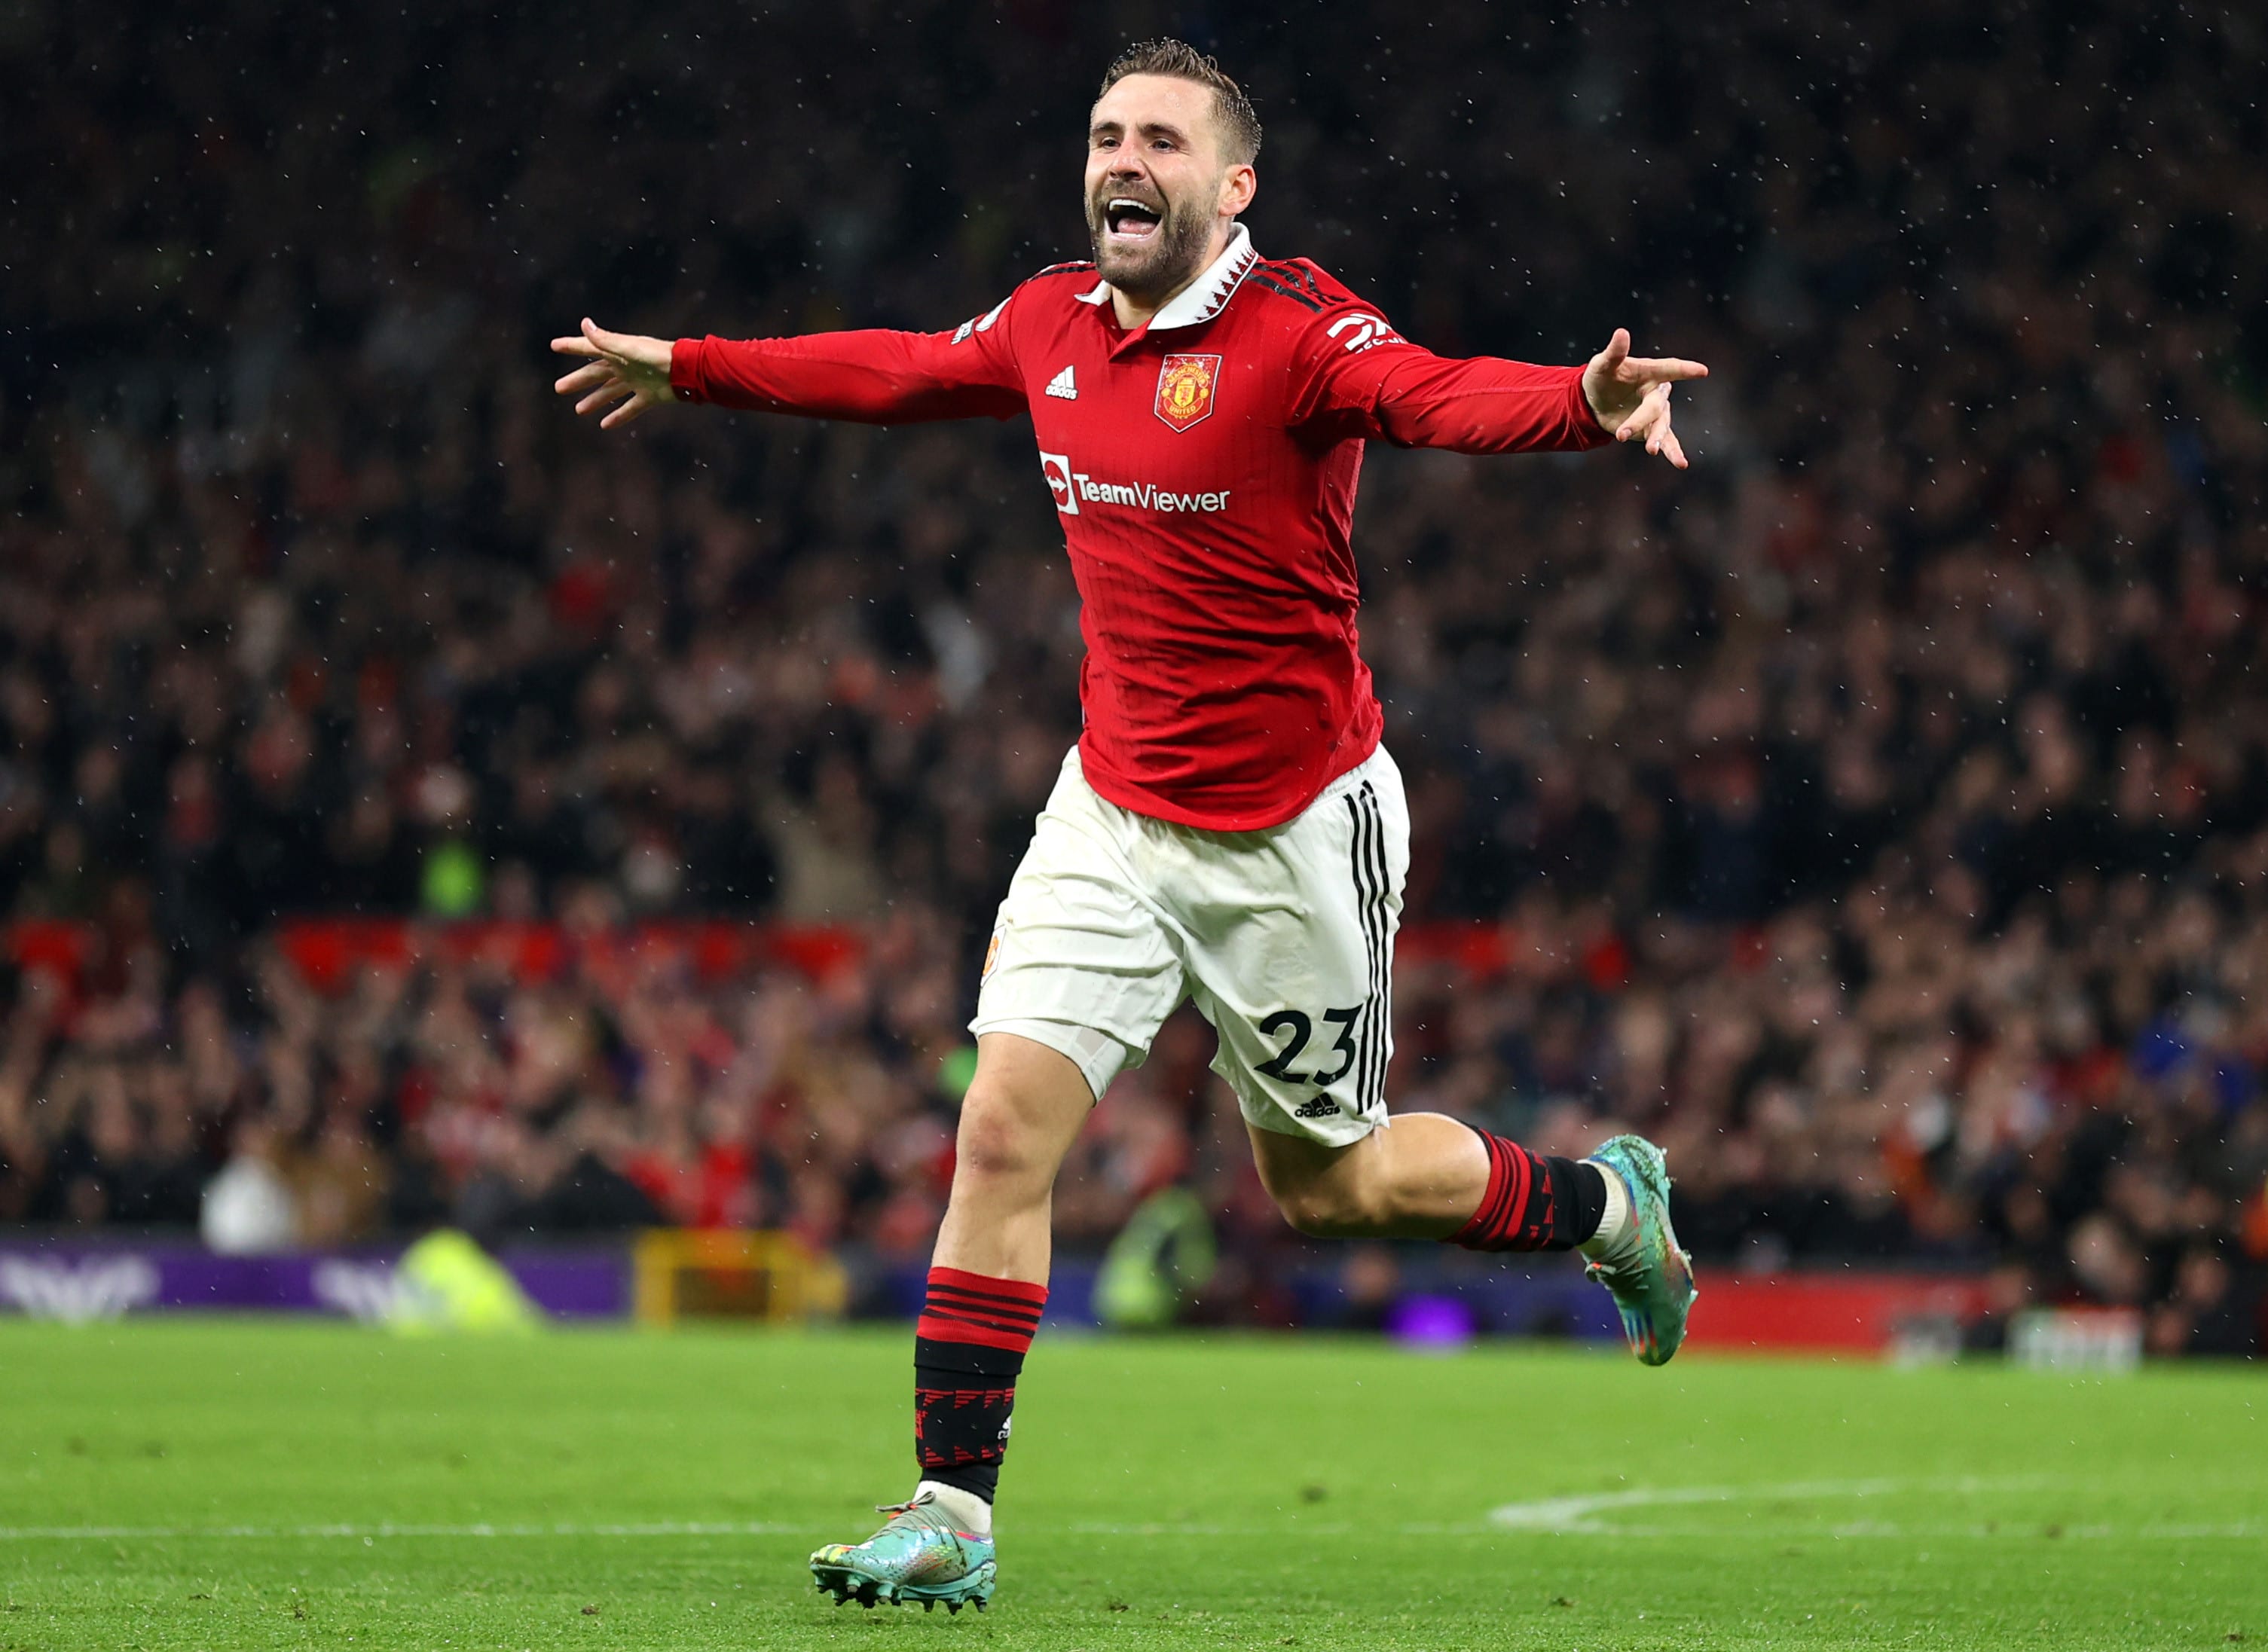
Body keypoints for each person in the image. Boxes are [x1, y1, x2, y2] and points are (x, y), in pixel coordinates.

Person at [554, 38, 1706, 1614]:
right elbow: (893, 370)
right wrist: (691, 364)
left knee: (1333, 1185)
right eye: (1106, 133)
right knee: (1001, 1129)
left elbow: (1430, 394)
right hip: (1109, 808)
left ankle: (1606, 1204)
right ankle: (950, 1508)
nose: (1123, 159)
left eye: (1160, 138)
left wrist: (1578, 403)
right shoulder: (1047, 323)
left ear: (1231, 186)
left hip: (1292, 829)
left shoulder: (1298, 331)